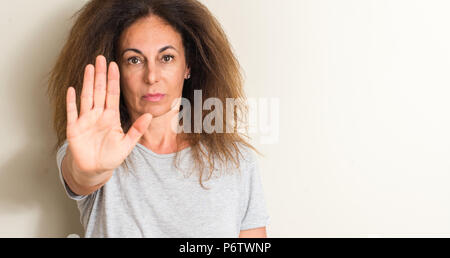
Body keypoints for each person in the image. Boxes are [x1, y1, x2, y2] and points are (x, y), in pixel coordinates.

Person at [47, 0, 270, 238]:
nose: (151, 76)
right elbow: (81, 176)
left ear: (188, 66)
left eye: (166, 58)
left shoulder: (236, 160)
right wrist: (89, 172)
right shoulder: (94, 148)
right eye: (134, 59)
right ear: (118, 70)